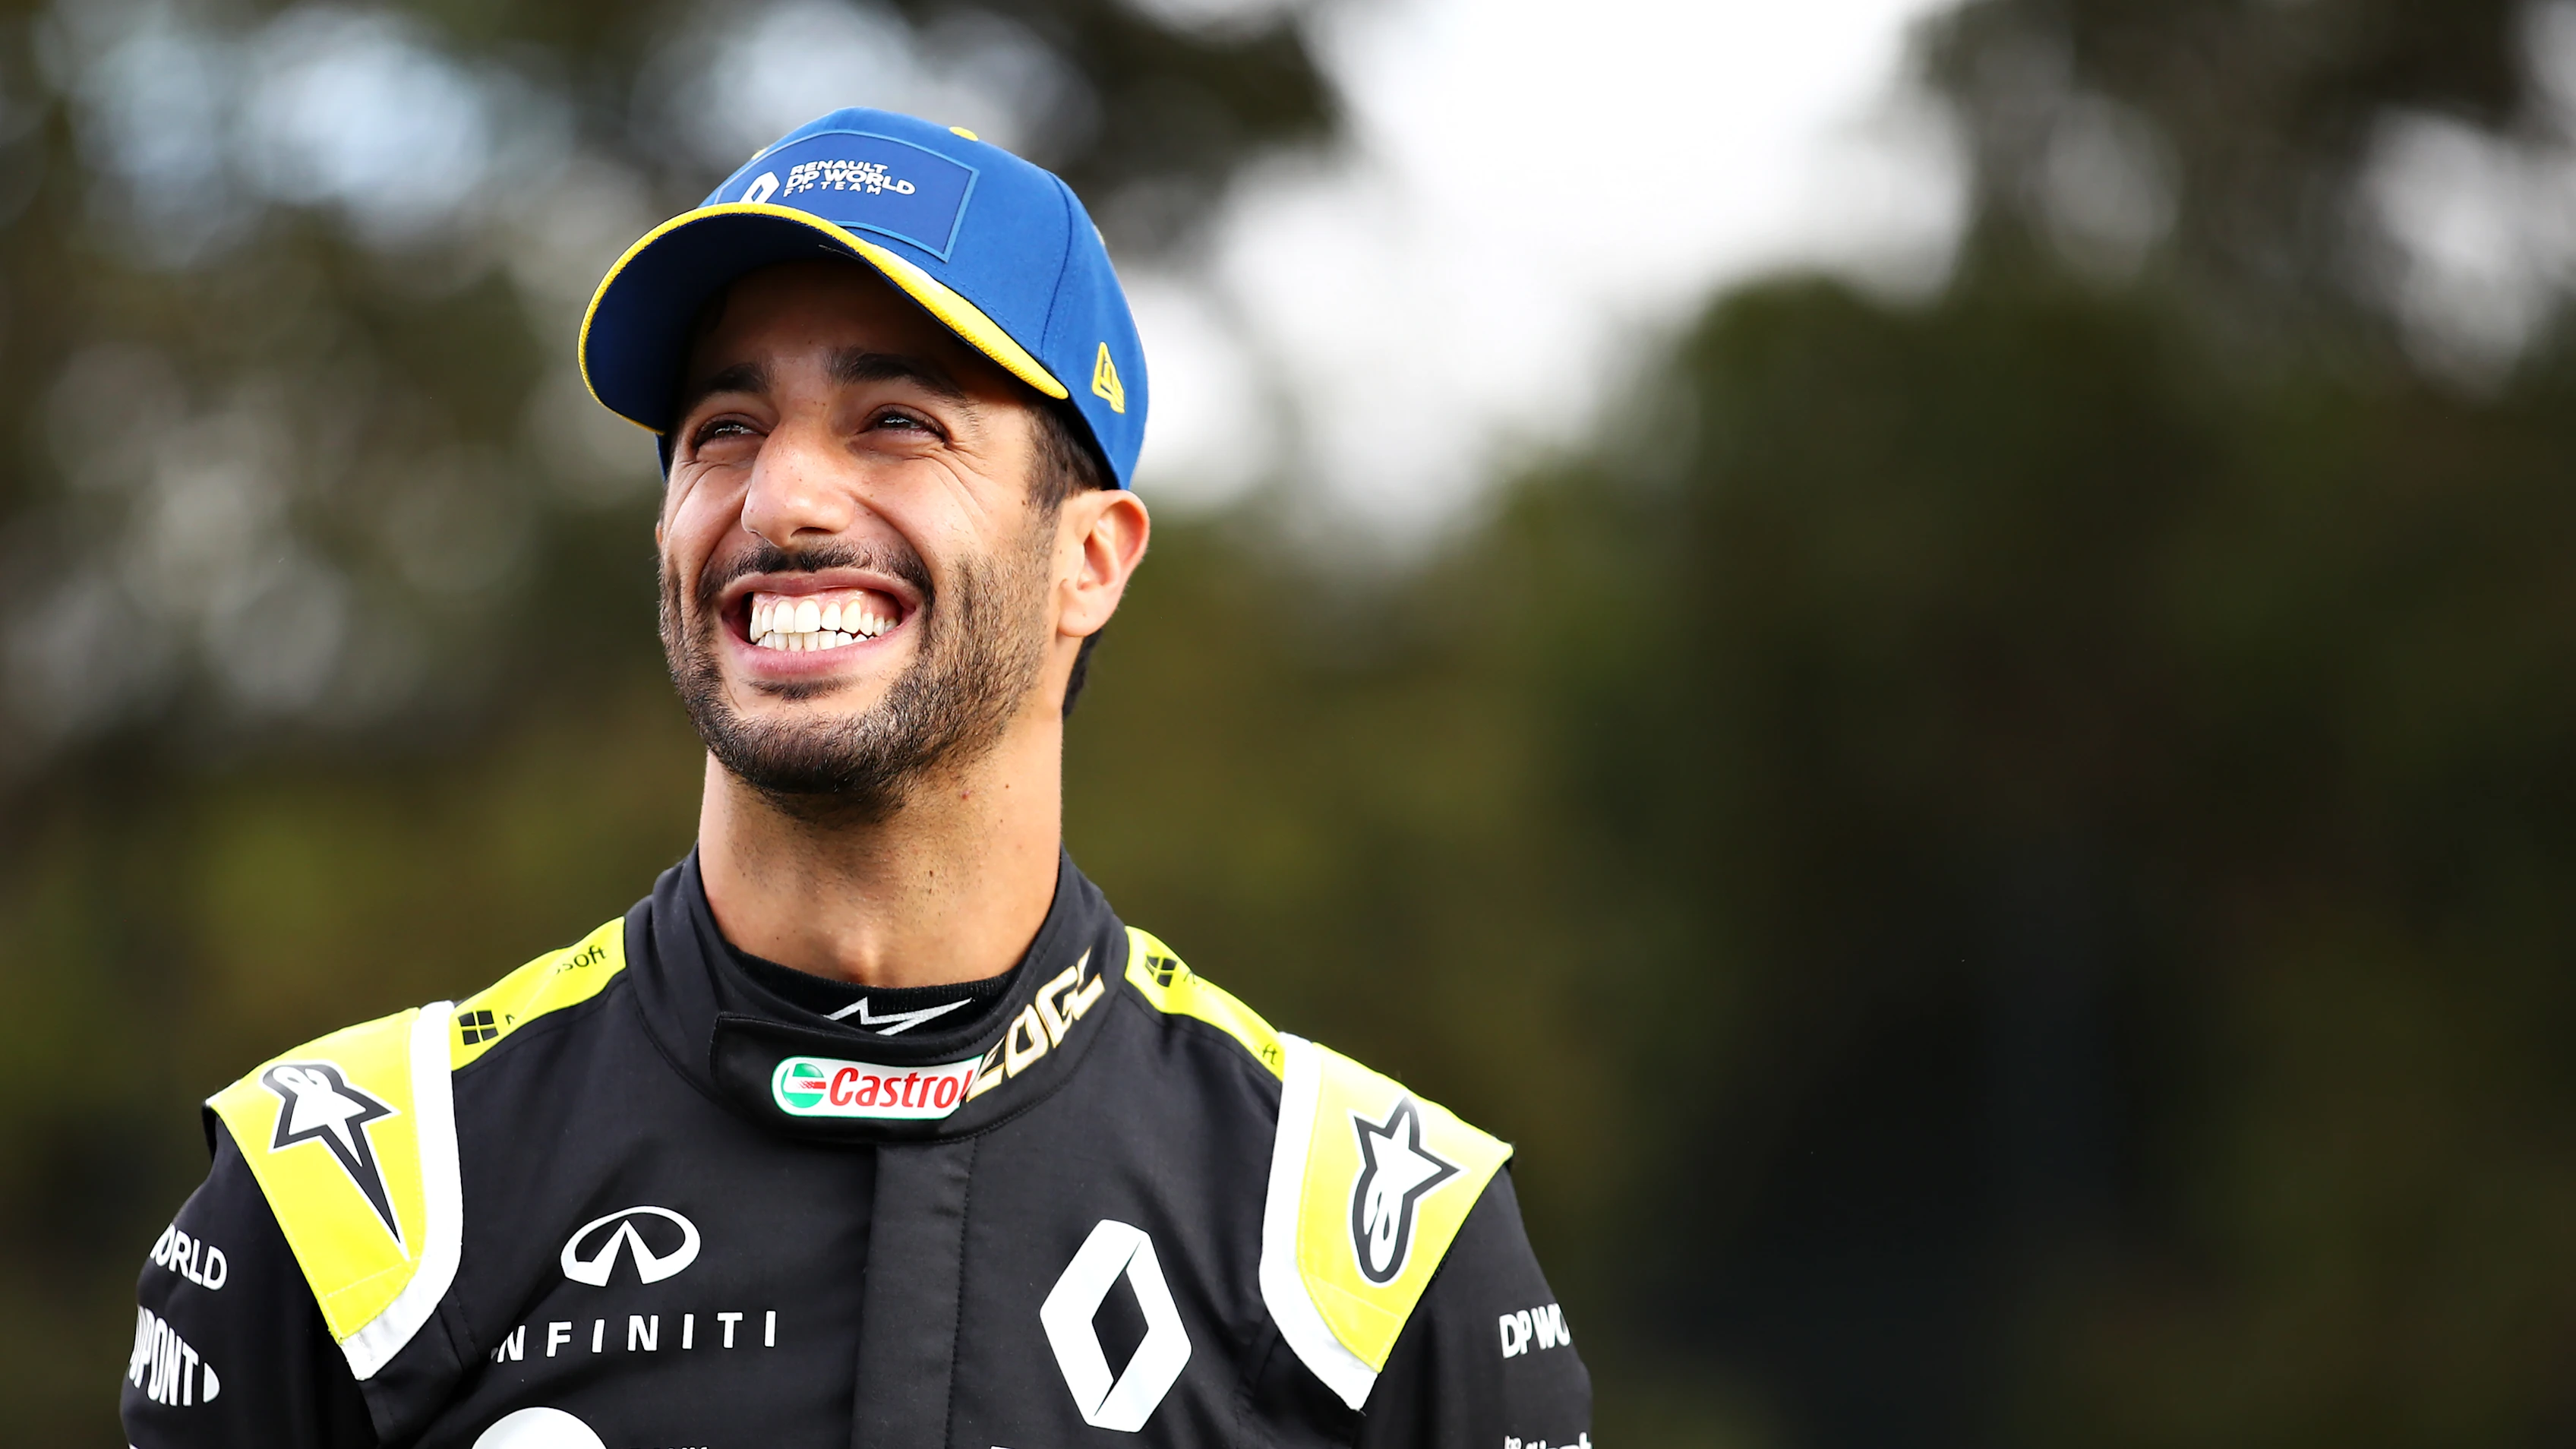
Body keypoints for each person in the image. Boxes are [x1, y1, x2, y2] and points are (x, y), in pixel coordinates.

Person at [119, 108, 1592, 1449]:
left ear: (1089, 559)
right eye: (722, 431)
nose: (783, 499)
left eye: (897, 423)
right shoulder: (340, 1203)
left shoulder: (1378, 1247)